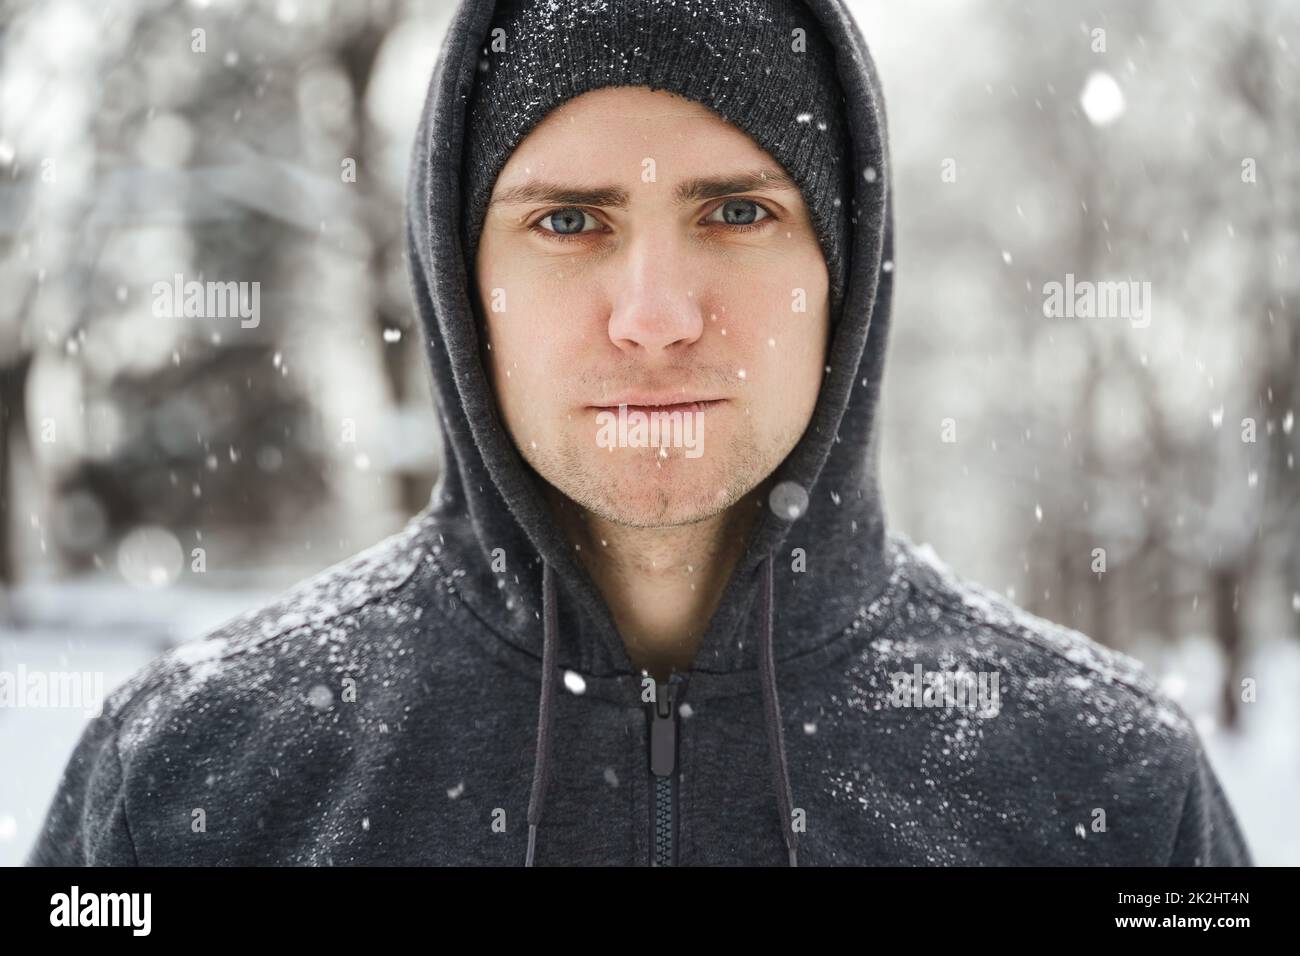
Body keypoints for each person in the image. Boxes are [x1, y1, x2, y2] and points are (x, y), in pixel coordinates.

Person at [27, 0, 1252, 867]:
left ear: (845, 275)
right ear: (461, 284)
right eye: (568, 221)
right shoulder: (193, 777)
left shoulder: (1104, 782)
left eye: (734, 209)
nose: (655, 316)